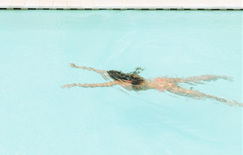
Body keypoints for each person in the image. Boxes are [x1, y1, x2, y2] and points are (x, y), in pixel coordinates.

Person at [62, 63, 243, 107]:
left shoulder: (119, 82)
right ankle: (219, 76)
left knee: (195, 94)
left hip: (161, 86)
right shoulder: (131, 76)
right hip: (160, 80)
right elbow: (100, 72)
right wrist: (78, 67)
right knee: (194, 79)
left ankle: (225, 100)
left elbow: (97, 84)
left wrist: (76, 84)